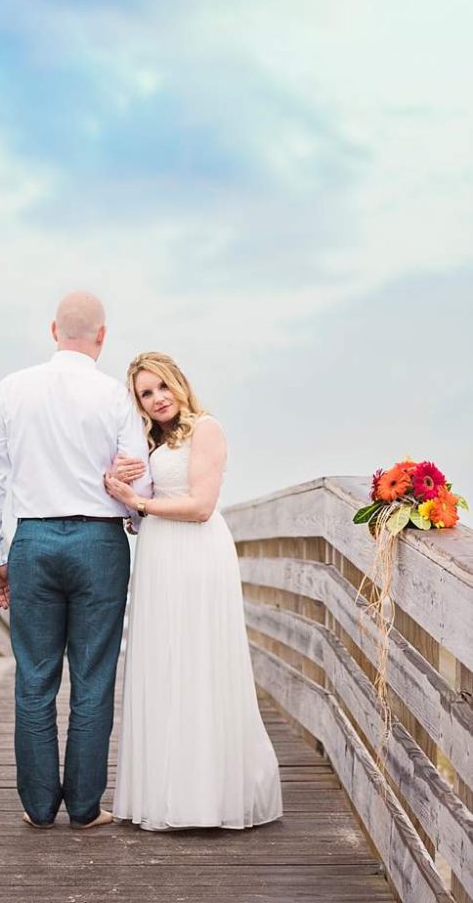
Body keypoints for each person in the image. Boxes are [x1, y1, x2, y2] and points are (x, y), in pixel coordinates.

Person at [0, 292, 152, 830]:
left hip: (34, 540)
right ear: (102, 336)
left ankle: (38, 807)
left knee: (34, 677)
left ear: (54, 330)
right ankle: (84, 807)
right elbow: (135, 474)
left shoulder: (12, 389)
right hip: (99, 544)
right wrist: (135, 521)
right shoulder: (115, 397)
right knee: (93, 679)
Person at [104, 351, 283, 831]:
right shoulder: (152, 442)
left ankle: (205, 795)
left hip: (197, 554)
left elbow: (202, 505)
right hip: (160, 554)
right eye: (146, 393)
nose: (157, 398)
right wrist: (126, 498)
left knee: (197, 660)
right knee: (164, 661)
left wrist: (137, 500)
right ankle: (165, 789)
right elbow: (145, 508)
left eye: (162, 386)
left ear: (180, 384)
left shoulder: (207, 428)